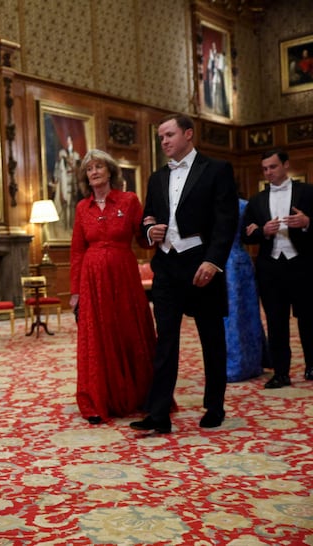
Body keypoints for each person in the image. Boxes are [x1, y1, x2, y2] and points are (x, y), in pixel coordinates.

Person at [130, 113, 238, 434]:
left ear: (188, 134)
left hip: (202, 265)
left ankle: (215, 405)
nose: (163, 141)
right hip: (166, 268)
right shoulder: (156, 177)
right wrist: (150, 231)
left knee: (211, 340)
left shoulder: (216, 169)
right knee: (166, 343)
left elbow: (226, 220)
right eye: (161, 137)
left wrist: (214, 261)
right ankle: (159, 414)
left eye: (169, 135)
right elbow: (147, 218)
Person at [69, 149, 156, 425]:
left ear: (110, 171)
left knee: (128, 330)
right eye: (89, 169)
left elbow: (143, 241)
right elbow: (76, 251)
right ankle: (98, 399)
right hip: (92, 280)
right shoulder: (83, 207)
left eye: (98, 167)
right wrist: (75, 293)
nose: (93, 172)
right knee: (98, 337)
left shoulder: (129, 201)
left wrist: (151, 229)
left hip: (124, 277)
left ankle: (139, 395)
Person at [242, 149, 313, 388]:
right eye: (265, 168)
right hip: (270, 267)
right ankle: (281, 372)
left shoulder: (308, 192)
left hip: (302, 264)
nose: (268, 172)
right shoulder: (256, 200)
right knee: (275, 321)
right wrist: (263, 231)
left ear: (285, 165)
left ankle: (312, 366)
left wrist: (307, 223)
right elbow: (247, 235)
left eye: (273, 167)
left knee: (308, 318)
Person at [223, 197, 267, 382]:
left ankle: (246, 363)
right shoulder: (206, 201)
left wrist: (256, 230)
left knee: (243, 314)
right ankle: (227, 363)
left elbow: (251, 235)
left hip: (237, 264)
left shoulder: (243, 205)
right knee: (223, 316)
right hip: (218, 263)